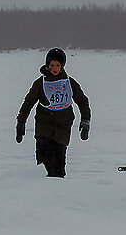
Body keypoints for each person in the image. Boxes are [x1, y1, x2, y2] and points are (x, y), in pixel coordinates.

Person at [15, 48, 92, 177]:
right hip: (43, 126)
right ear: (47, 65)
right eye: (52, 65)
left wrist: (85, 120)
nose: (55, 68)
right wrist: (21, 122)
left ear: (62, 66)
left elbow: (82, 101)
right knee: (43, 162)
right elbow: (28, 102)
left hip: (63, 126)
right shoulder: (40, 83)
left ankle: (58, 190)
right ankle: (42, 189)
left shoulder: (69, 83)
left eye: (57, 65)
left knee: (58, 162)